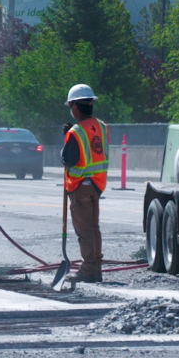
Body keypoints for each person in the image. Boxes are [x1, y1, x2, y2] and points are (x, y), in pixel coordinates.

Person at [61, 84, 110, 284]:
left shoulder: (76, 131)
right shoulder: (101, 126)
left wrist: (66, 139)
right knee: (93, 228)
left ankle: (89, 270)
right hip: (97, 185)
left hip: (80, 186)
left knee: (84, 230)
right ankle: (95, 269)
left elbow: (69, 160)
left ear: (75, 107)